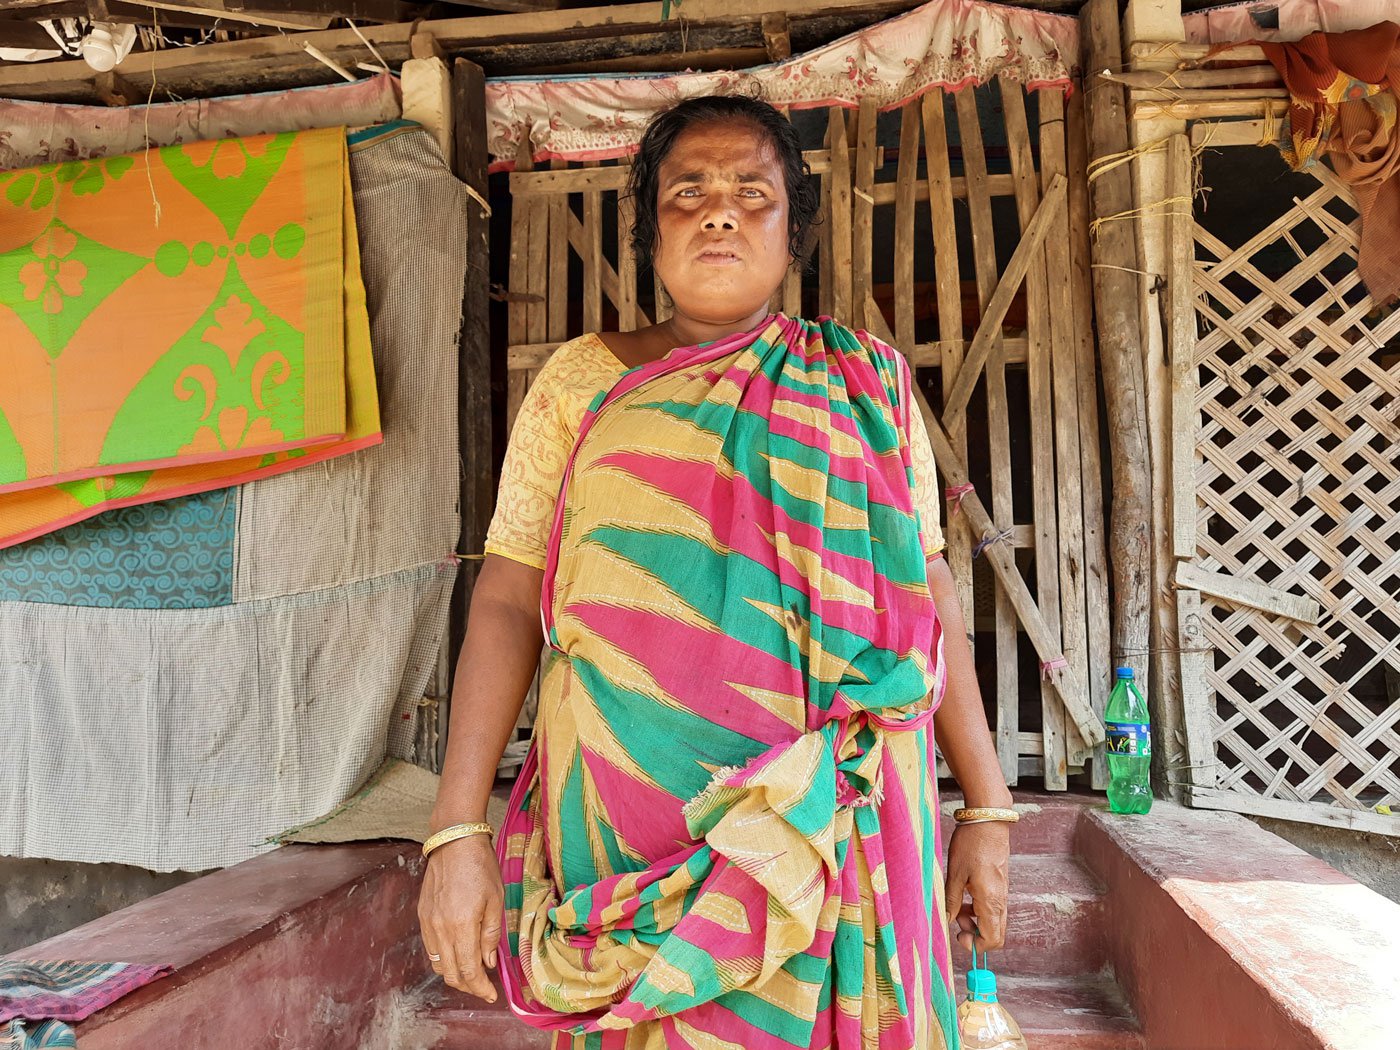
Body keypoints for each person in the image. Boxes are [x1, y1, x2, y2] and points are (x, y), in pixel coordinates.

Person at [418, 94, 1015, 1050]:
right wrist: (457, 831)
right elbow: (504, 600)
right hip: (629, 832)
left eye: (752, 193)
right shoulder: (580, 384)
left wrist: (988, 806)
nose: (719, 212)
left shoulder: (865, 381)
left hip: (825, 819)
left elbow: (925, 600)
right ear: (649, 231)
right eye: (685, 193)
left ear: (794, 232)